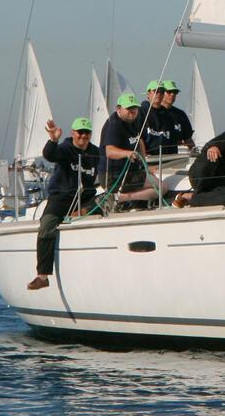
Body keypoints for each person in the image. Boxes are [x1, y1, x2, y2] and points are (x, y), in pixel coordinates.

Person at [27, 117, 100, 291]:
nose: (83, 136)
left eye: (87, 133)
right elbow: (50, 155)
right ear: (73, 133)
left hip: (85, 198)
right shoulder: (65, 148)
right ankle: (42, 276)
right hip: (61, 197)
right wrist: (53, 140)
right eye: (80, 132)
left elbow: (106, 167)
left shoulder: (95, 152)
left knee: (105, 209)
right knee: (46, 225)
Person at [99, 93, 158, 208]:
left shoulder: (133, 121)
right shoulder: (114, 124)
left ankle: (125, 201)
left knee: (156, 183)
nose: (132, 111)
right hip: (113, 176)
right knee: (161, 187)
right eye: (129, 108)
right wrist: (127, 153)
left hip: (129, 172)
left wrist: (145, 166)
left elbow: (139, 141)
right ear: (119, 109)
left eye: (134, 108)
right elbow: (109, 151)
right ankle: (118, 198)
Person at [140, 80, 173, 156]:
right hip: (147, 158)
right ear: (148, 94)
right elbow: (136, 137)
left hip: (166, 158)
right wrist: (143, 155)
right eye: (156, 91)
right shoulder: (140, 112)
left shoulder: (168, 115)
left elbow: (172, 139)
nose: (159, 94)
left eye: (162, 92)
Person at [161, 80, 194, 152]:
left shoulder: (181, 114)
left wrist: (194, 151)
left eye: (175, 92)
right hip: (158, 154)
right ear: (161, 93)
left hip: (178, 154)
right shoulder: (152, 113)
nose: (172, 94)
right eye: (169, 92)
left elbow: (188, 138)